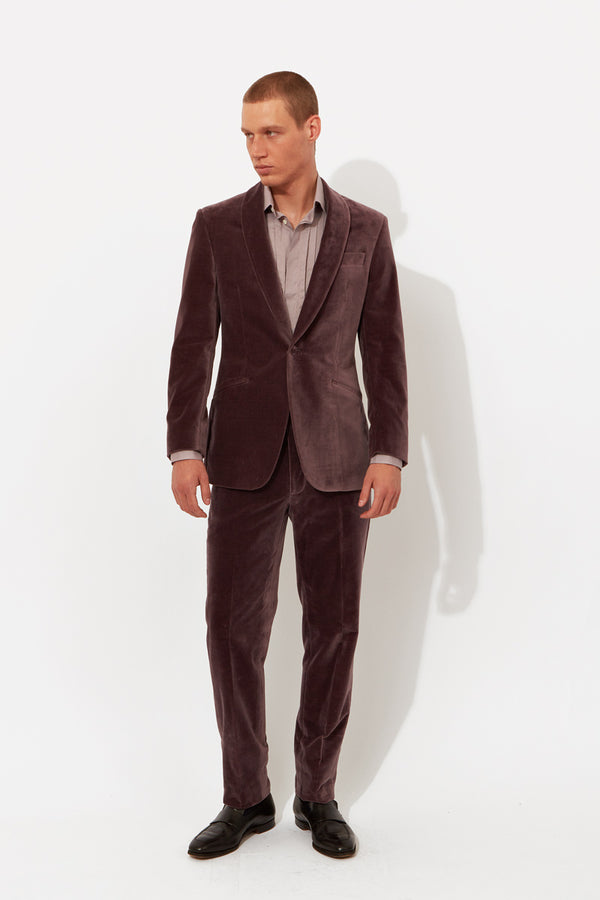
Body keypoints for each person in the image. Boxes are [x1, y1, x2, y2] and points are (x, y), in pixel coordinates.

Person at [166, 71, 408, 860]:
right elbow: (193, 341)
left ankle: (318, 793)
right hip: (241, 457)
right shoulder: (217, 226)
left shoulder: (366, 231)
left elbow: (385, 349)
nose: (255, 149)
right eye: (246, 135)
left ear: (311, 128)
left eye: (270, 132)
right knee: (231, 629)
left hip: (339, 457)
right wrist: (185, 446)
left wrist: (388, 452)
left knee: (333, 629)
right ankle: (246, 796)